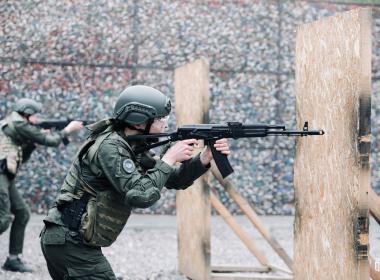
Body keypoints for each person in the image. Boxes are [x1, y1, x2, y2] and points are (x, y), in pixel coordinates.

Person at [40, 85, 230, 279]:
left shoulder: (131, 145)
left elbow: (173, 179)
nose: (165, 123)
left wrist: (204, 158)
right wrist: (169, 158)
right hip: (70, 242)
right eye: (160, 119)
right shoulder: (111, 146)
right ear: (139, 121)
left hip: (69, 240)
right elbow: (141, 195)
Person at [0, 98, 83, 273]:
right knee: (3, 218)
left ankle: (13, 259)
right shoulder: (19, 124)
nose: (38, 120)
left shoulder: (16, 126)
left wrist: (34, 141)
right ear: (26, 114)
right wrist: (68, 130)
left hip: (5, 175)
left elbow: (22, 156)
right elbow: (52, 141)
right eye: (35, 116)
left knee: (22, 213)